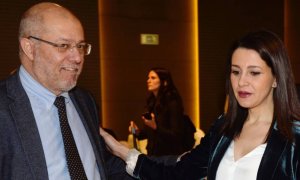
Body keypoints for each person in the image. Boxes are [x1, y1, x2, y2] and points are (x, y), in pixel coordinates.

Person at [100, 30, 300, 179]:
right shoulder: (223, 128)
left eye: (254, 72)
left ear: (276, 78)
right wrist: (121, 151)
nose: (241, 82)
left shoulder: (294, 137)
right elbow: (179, 174)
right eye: (236, 71)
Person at [0, 2, 134, 180]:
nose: (78, 57)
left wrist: (147, 166)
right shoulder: (4, 108)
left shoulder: (85, 101)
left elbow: (99, 166)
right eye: (63, 46)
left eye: (80, 46)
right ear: (29, 48)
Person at [130, 67, 193, 156]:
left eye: (153, 78)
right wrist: (137, 132)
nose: (148, 81)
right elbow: (150, 134)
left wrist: (155, 127)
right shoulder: (152, 102)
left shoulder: (173, 102)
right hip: (153, 155)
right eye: (148, 78)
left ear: (164, 82)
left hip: (170, 156)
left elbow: (176, 135)